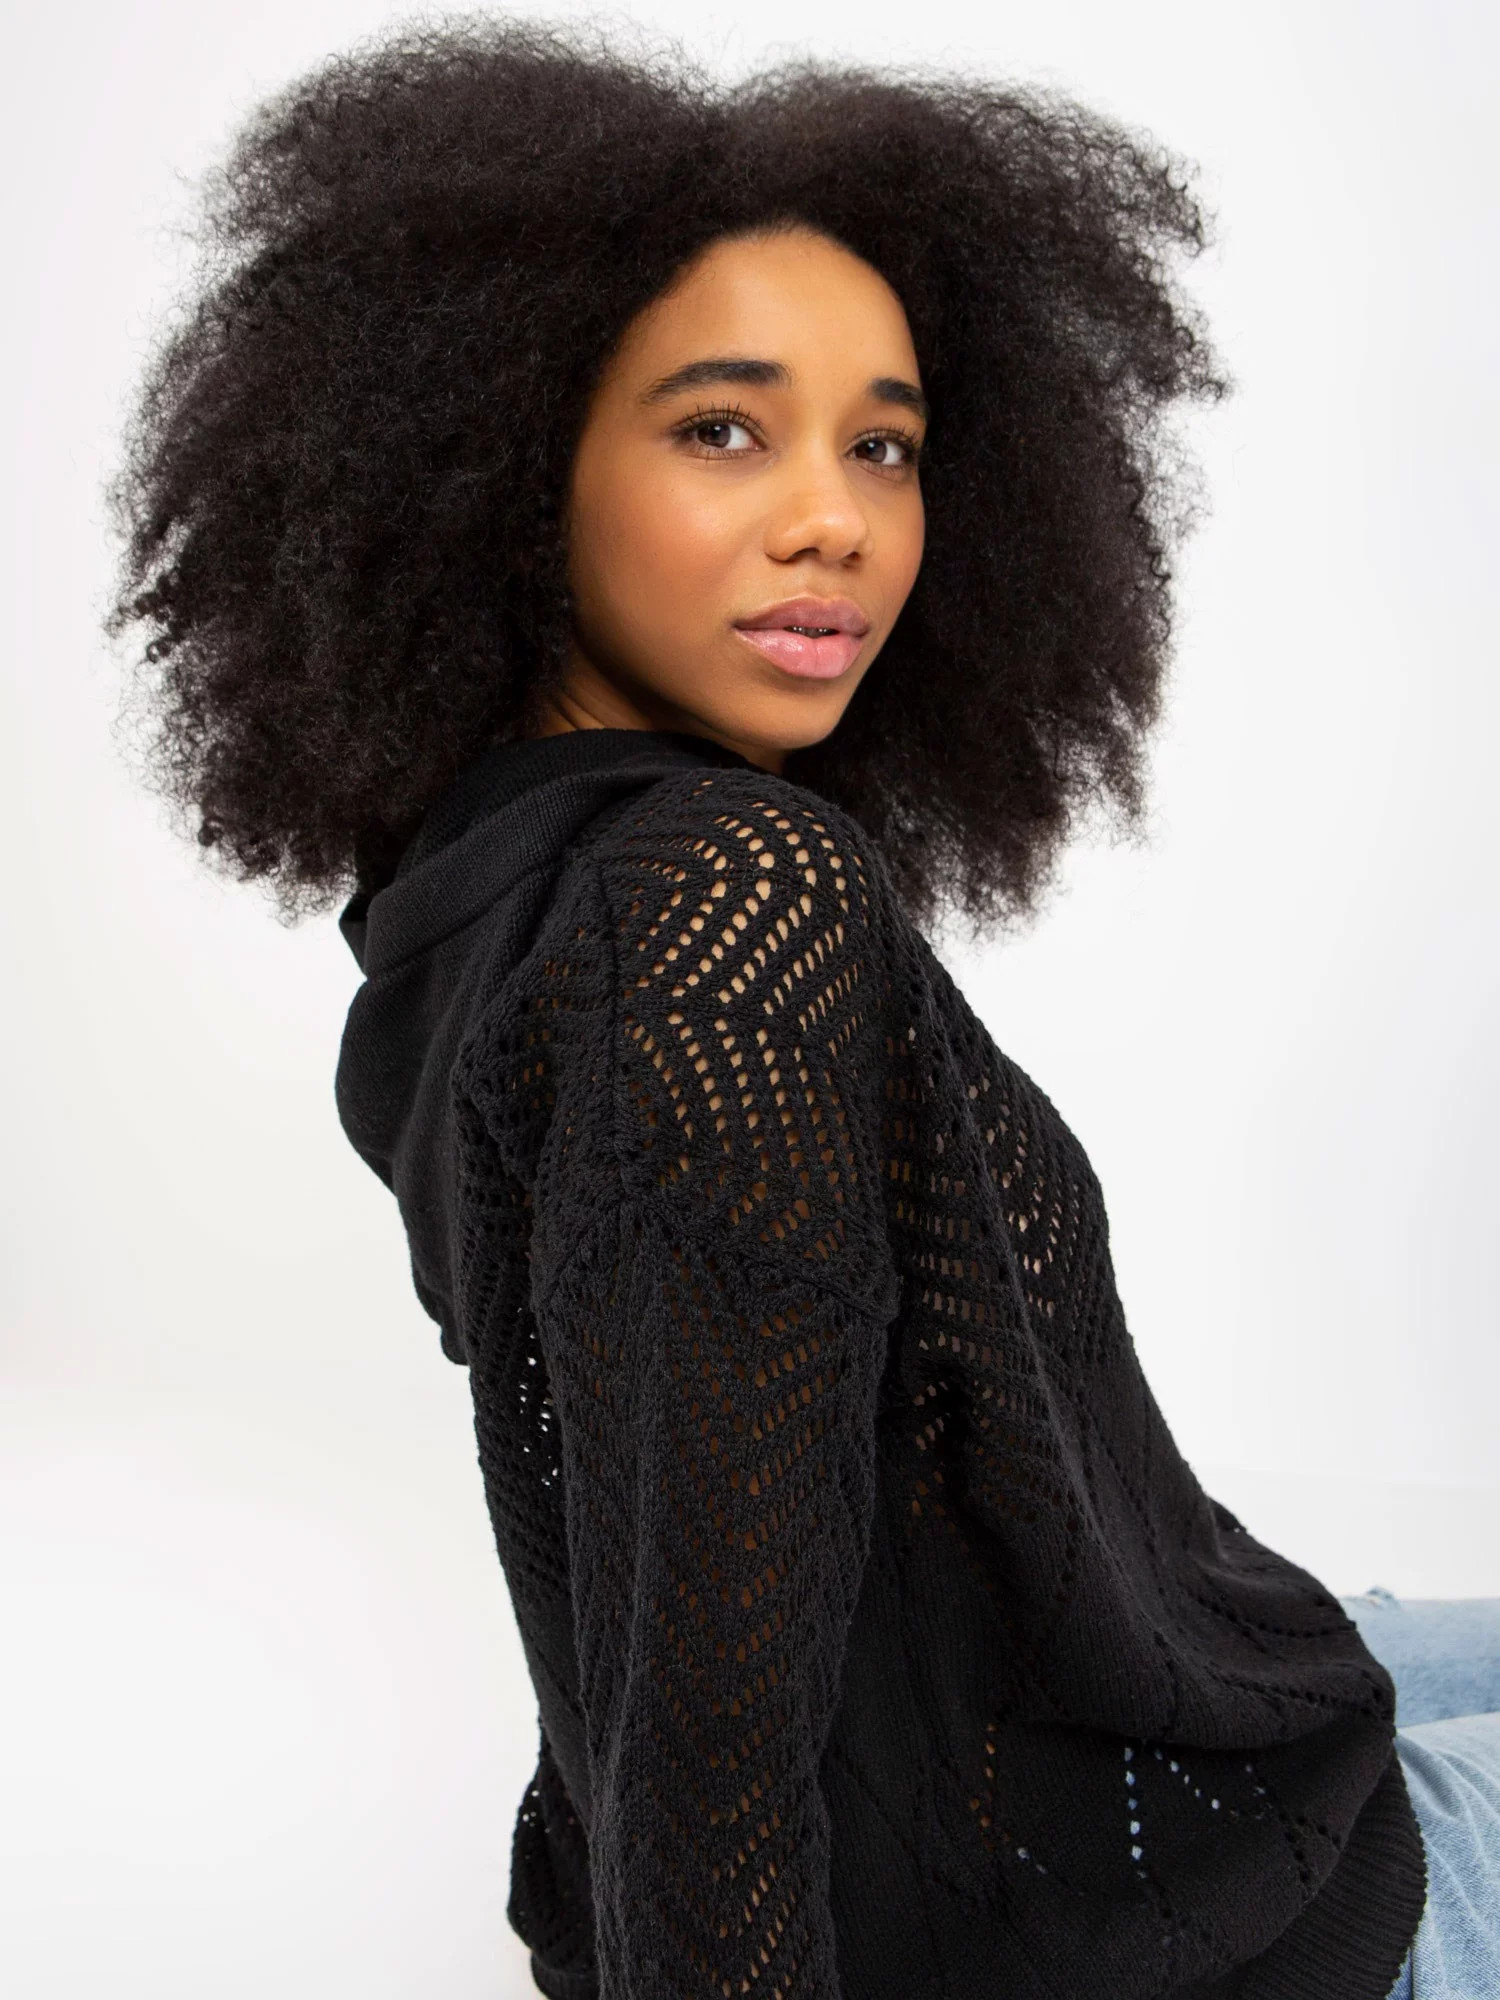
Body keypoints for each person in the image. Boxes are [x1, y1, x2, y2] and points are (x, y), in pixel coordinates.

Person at [100, 19, 1499, 2000]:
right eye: (723, 429)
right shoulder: (723, 902)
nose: (838, 518)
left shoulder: (477, 901)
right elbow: (711, 1746)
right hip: (1178, 1907)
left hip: (1133, 1683)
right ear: (509, 464)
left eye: (886, 445)